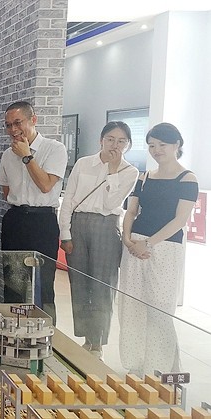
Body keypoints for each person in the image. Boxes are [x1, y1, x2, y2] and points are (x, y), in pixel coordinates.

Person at [118, 122, 198, 375]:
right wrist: (127, 239)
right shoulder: (144, 176)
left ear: (177, 145)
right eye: (152, 145)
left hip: (165, 247)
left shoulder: (187, 179)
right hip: (134, 245)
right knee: (131, 306)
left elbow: (180, 220)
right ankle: (135, 364)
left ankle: (162, 369)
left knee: (159, 308)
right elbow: (131, 211)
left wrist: (149, 243)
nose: (157, 150)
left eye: (162, 144)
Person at [58, 121, 139, 358]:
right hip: (78, 225)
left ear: (128, 145)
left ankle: (98, 343)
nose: (115, 145)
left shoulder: (130, 172)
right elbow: (68, 199)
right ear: (100, 140)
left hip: (106, 226)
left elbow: (110, 203)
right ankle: (87, 338)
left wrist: (112, 171)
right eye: (110, 139)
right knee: (79, 284)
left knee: (103, 286)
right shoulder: (83, 163)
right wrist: (65, 233)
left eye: (122, 141)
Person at [0, 101, 67, 323]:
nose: (13, 130)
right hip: (15, 220)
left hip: (43, 221)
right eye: (8, 125)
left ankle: (46, 335)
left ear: (33, 120)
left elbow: (45, 185)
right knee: (13, 284)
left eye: (18, 123)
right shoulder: (7, 155)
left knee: (43, 284)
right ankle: (12, 332)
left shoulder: (55, 149)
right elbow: (6, 191)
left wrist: (27, 156)